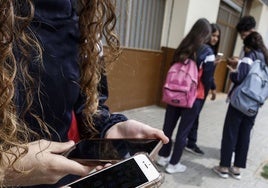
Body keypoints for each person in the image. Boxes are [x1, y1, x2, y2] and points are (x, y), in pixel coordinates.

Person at [0, 1, 169, 187]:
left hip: (63, 174)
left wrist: (109, 127)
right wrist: (7, 168)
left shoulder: (82, 16)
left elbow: (87, 103)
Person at [157, 18, 215, 173]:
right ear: (206, 34)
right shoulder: (208, 52)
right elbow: (207, 79)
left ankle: (162, 157)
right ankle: (173, 164)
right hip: (193, 97)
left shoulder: (183, 46)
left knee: (167, 128)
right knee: (183, 132)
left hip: (174, 94)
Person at [213, 31, 268, 180]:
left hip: (239, 103)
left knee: (230, 133)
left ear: (247, 46)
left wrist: (232, 73)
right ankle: (236, 169)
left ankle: (224, 167)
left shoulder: (248, 58)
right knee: (245, 135)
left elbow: (239, 77)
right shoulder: (265, 59)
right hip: (254, 105)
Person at [185, 23, 222, 155]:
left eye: (217, 36)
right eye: (213, 35)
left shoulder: (210, 52)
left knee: (195, 116)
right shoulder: (203, 49)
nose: (215, 39)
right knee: (192, 117)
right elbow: (205, 74)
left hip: (201, 90)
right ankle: (189, 142)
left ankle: (189, 141)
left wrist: (212, 87)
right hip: (195, 89)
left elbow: (209, 74)